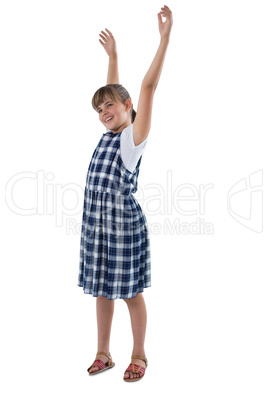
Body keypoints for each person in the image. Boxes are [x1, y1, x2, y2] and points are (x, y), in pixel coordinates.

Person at [78, 5, 173, 382]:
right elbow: (114, 93)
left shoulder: (131, 141)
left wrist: (164, 40)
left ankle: (139, 354)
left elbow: (146, 88)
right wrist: (113, 57)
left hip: (123, 228)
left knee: (130, 293)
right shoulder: (108, 134)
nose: (104, 111)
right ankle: (103, 352)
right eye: (100, 108)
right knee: (102, 291)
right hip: (97, 226)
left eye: (110, 106)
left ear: (128, 107)